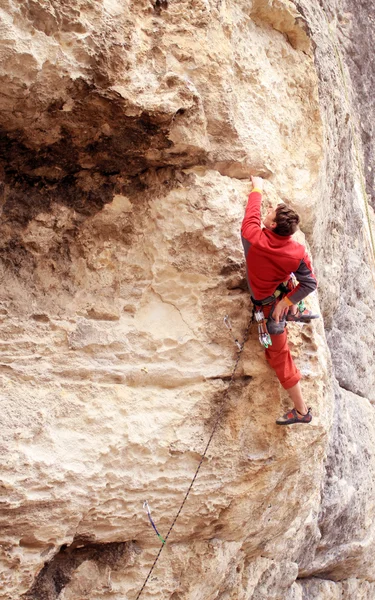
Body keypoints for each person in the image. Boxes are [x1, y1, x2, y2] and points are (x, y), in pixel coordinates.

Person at [241, 175, 318, 425]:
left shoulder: (253, 236)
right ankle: (295, 309)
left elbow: (251, 214)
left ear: (272, 226)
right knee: (289, 279)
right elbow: (310, 283)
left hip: (269, 308)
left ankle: (301, 411)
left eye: (270, 213)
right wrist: (288, 301)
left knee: (280, 359)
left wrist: (257, 188)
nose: (267, 211)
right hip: (282, 292)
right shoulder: (296, 250)